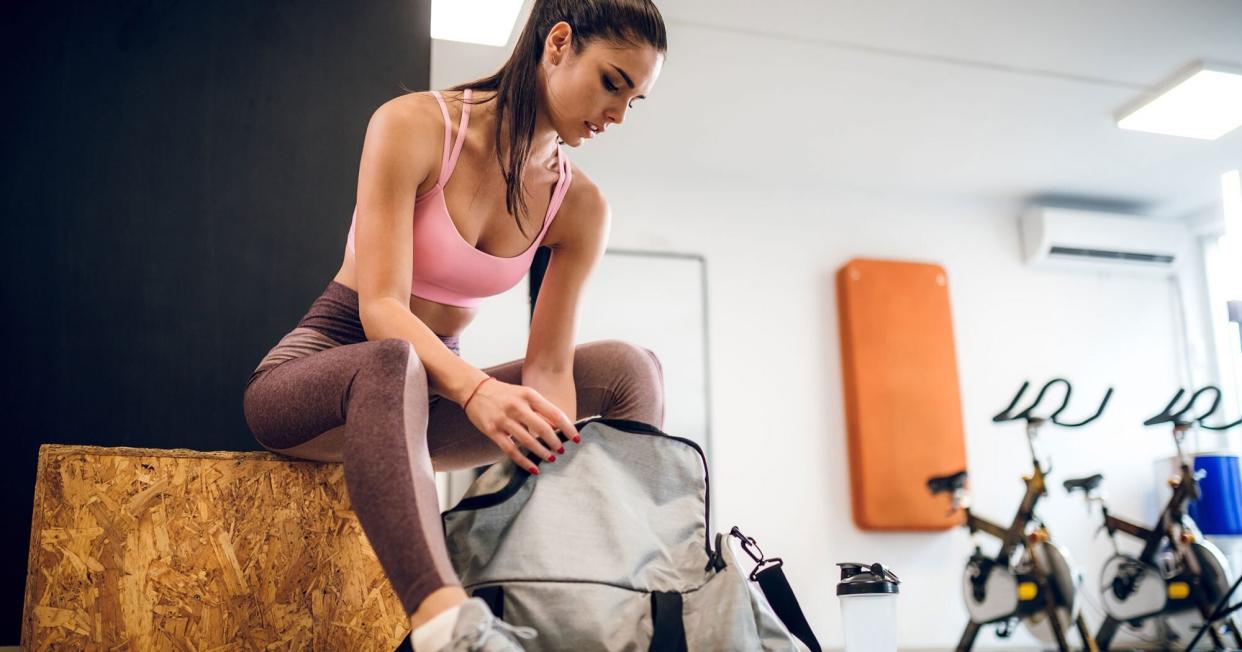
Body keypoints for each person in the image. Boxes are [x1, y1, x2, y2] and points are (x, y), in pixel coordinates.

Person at [242, 1, 667, 649]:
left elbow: (550, 367)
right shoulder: (414, 124)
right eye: (612, 82)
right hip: (324, 377)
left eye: (633, 101)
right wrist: (474, 389)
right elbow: (380, 310)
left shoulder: (578, 203)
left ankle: (620, 591)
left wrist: (551, 477)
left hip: (430, 402)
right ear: (558, 43)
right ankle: (446, 625)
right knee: (393, 359)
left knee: (629, 368)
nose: (616, 114)